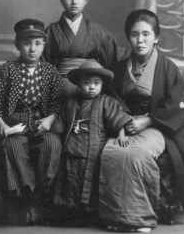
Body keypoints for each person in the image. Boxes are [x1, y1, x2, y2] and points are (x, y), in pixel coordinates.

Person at [99, 9, 184, 233]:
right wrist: (122, 121)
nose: (140, 40)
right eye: (135, 34)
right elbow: (111, 99)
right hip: (126, 123)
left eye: (146, 34)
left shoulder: (168, 68)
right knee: (111, 152)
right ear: (129, 37)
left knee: (137, 154)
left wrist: (147, 121)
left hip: (158, 127)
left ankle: (140, 219)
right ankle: (117, 216)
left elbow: (178, 105)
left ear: (156, 37)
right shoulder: (119, 68)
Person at [0, 19, 66, 225]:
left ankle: (40, 199)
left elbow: (58, 101)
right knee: (12, 146)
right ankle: (24, 201)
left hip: (39, 126)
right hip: (14, 127)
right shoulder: (7, 70)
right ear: (18, 45)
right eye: (27, 44)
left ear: (44, 46)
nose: (32, 49)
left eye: (38, 44)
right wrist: (0, 123)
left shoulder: (49, 71)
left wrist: (50, 118)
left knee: (52, 143)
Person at [53, 60, 132, 225]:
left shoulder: (106, 102)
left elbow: (116, 118)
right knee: (70, 179)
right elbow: (58, 126)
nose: (91, 87)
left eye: (96, 83)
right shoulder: (70, 102)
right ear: (79, 85)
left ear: (102, 85)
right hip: (71, 149)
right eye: (87, 83)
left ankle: (89, 214)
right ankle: (70, 212)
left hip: (93, 150)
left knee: (90, 182)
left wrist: (122, 133)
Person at [43, 0, 128, 96]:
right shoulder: (51, 31)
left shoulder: (97, 31)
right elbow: (43, 66)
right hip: (60, 90)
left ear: (86, 0)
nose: (74, 2)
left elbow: (115, 58)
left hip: (91, 89)